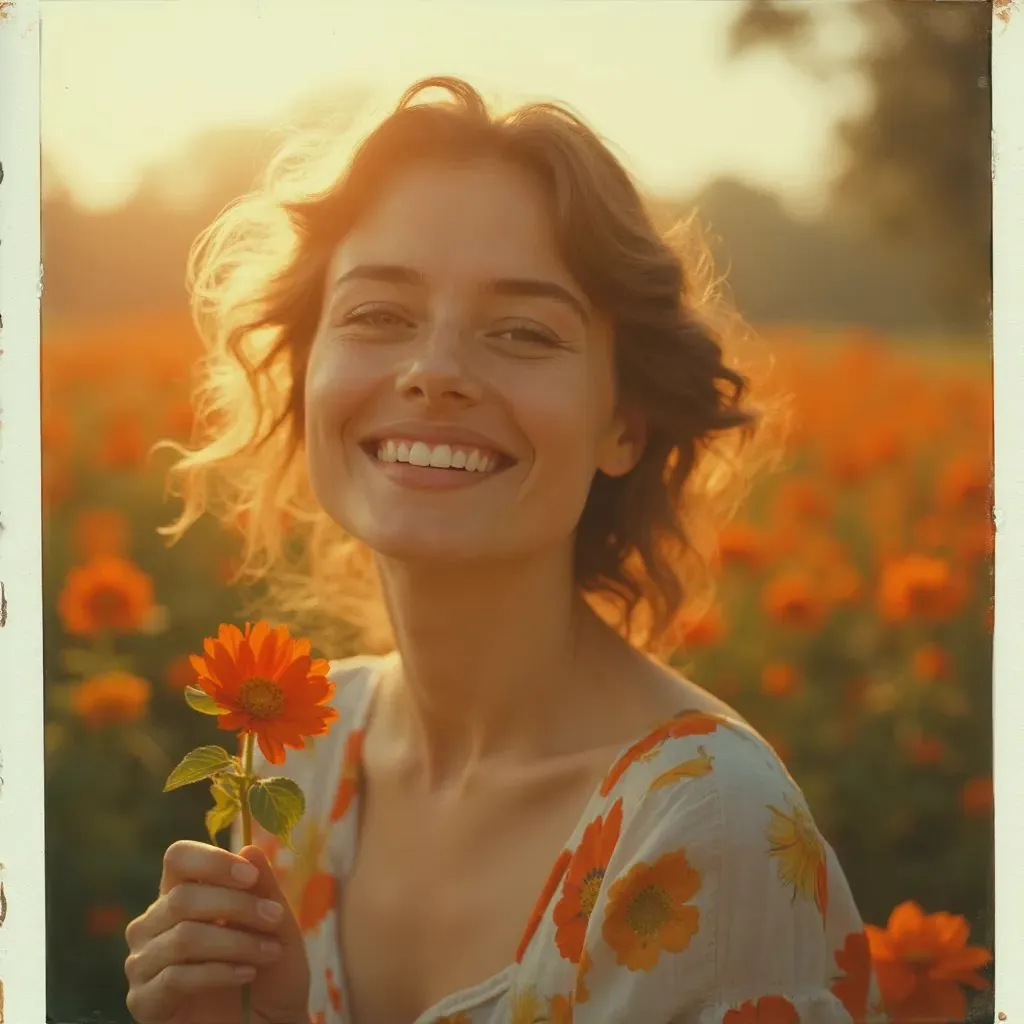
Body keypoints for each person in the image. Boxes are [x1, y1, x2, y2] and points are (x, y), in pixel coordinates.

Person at [124, 77, 883, 1024]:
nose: (434, 371)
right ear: (304, 370)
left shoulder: (706, 828)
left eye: (523, 331)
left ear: (625, 424)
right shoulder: (293, 758)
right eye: (377, 314)